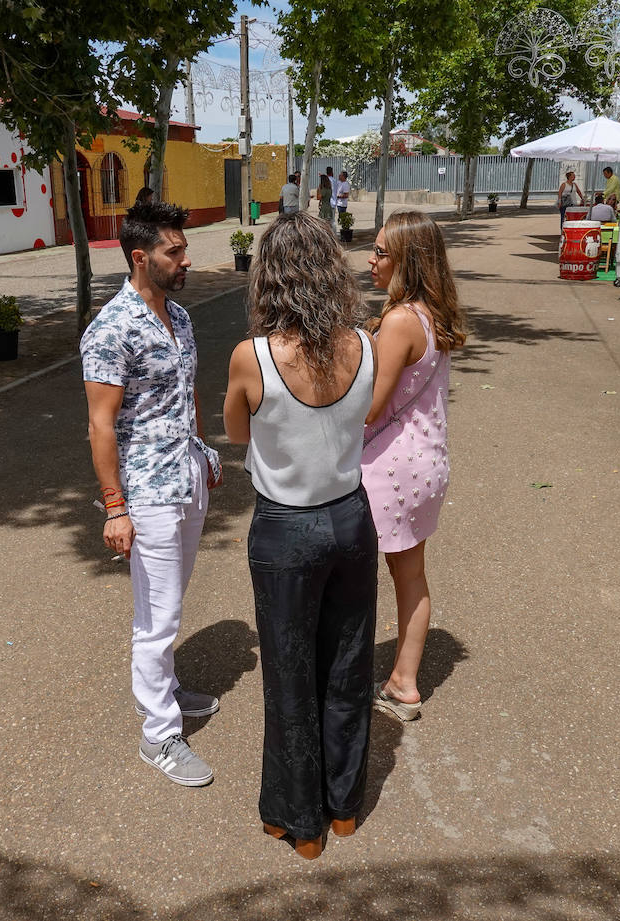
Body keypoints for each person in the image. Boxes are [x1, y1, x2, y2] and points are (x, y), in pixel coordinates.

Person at [223, 211, 377, 860]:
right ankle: (343, 807)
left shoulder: (252, 356)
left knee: (290, 675)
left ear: (271, 279)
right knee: (346, 666)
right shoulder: (364, 344)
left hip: (287, 529)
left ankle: (301, 822)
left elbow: (236, 432)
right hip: (351, 518)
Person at [80, 200, 224, 788]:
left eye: (183, 248)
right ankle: (157, 733)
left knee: (171, 600)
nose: (186, 259)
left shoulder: (180, 317)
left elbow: (185, 393)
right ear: (141, 258)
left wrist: (203, 451)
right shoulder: (111, 330)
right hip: (147, 493)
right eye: (175, 251)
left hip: (186, 476)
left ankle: (165, 687)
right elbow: (100, 424)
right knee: (155, 615)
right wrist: (115, 507)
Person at [362, 210, 466, 722]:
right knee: (411, 575)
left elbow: (372, 407)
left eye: (381, 252)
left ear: (408, 261)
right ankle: (404, 680)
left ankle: (392, 681)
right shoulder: (429, 314)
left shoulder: (401, 320)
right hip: (426, 462)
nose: (371, 260)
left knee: (361, 574)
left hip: (392, 468)